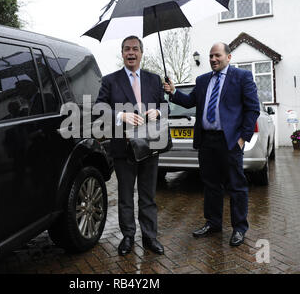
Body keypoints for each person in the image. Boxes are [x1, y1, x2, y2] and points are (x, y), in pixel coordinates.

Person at [164, 42, 260, 246]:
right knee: (210, 185)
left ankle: (239, 228)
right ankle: (213, 223)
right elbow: (190, 102)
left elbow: (253, 109)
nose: (213, 59)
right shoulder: (202, 80)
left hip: (230, 141)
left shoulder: (242, 77)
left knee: (236, 185)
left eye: (217, 55)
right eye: (210, 56)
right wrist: (173, 92)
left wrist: (243, 138)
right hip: (207, 140)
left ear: (228, 57)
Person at [95, 36, 167, 255]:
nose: (131, 53)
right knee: (125, 196)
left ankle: (149, 237)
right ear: (122, 53)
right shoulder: (110, 80)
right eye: (127, 49)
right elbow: (99, 106)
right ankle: (128, 237)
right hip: (123, 148)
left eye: (135, 49)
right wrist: (121, 115)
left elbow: (165, 105)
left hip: (149, 146)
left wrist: (158, 111)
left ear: (141, 53)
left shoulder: (154, 80)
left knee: (148, 196)